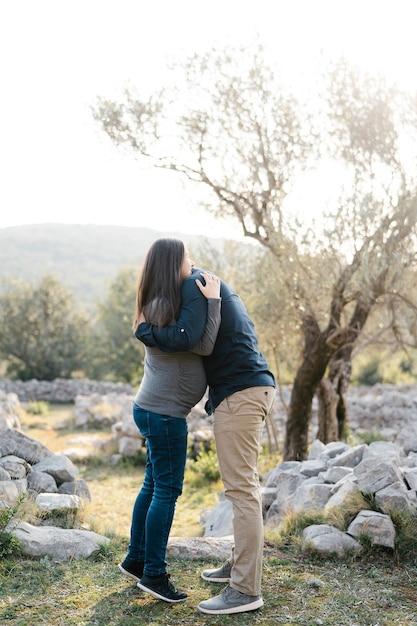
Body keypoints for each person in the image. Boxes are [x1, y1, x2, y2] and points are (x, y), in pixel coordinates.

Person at [137, 264, 276, 615]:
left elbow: (192, 338)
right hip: (244, 391)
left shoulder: (194, 285)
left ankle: (245, 590)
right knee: (240, 488)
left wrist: (146, 331)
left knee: (242, 490)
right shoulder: (203, 284)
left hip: (241, 393)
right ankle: (239, 566)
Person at [118, 238, 221, 604]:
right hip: (163, 415)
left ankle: (137, 558)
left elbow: (195, 344)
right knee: (167, 491)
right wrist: (211, 300)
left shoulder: (157, 302)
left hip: (152, 408)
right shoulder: (164, 305)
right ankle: (155, 575)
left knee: (152, 484)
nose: (191, 263)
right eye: (186, 257)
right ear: (171, 263)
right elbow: (196, 342)